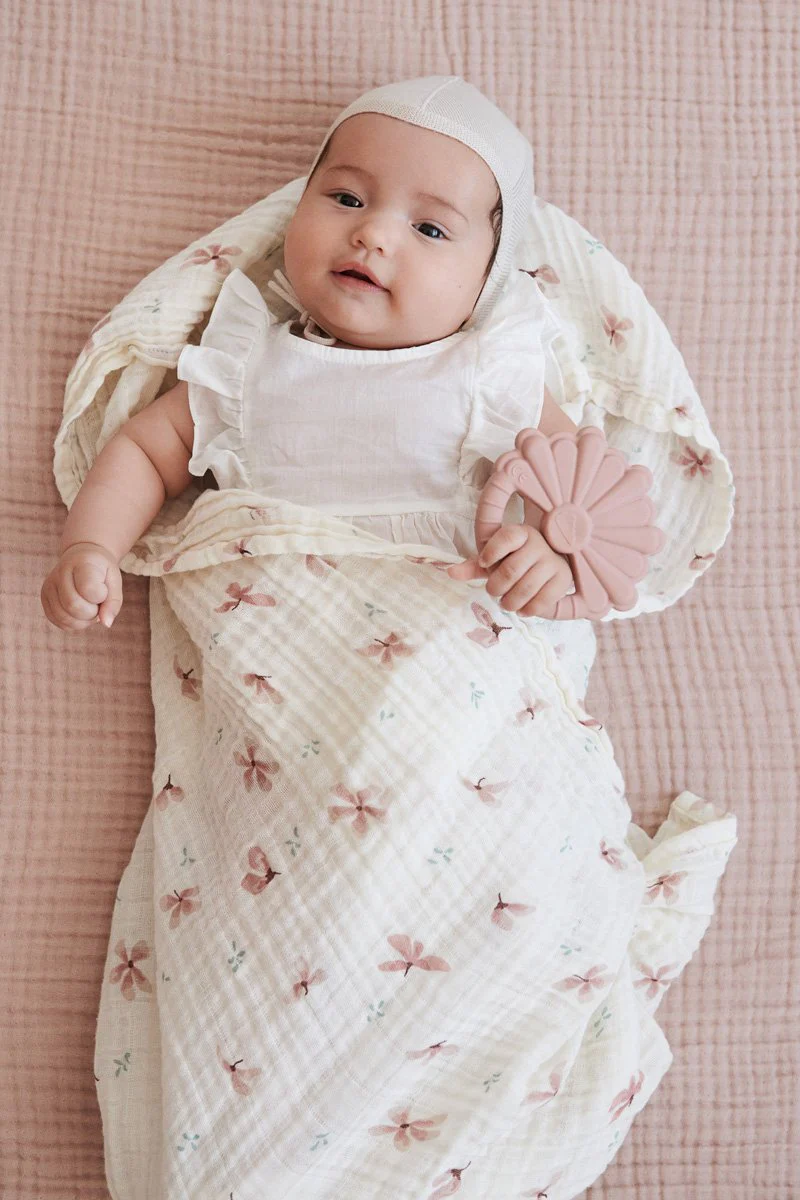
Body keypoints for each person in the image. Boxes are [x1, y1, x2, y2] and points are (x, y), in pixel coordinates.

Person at [41, 75, 579, 635]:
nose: (373, 233)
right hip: (276, 645)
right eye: (348, 199)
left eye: (429, 228)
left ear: (488, 280)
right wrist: (92, 545)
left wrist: (552, 557)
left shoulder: (492, 376)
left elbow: (581, 492)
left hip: (448, 637)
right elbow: (147, 454)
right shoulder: (246, 369)